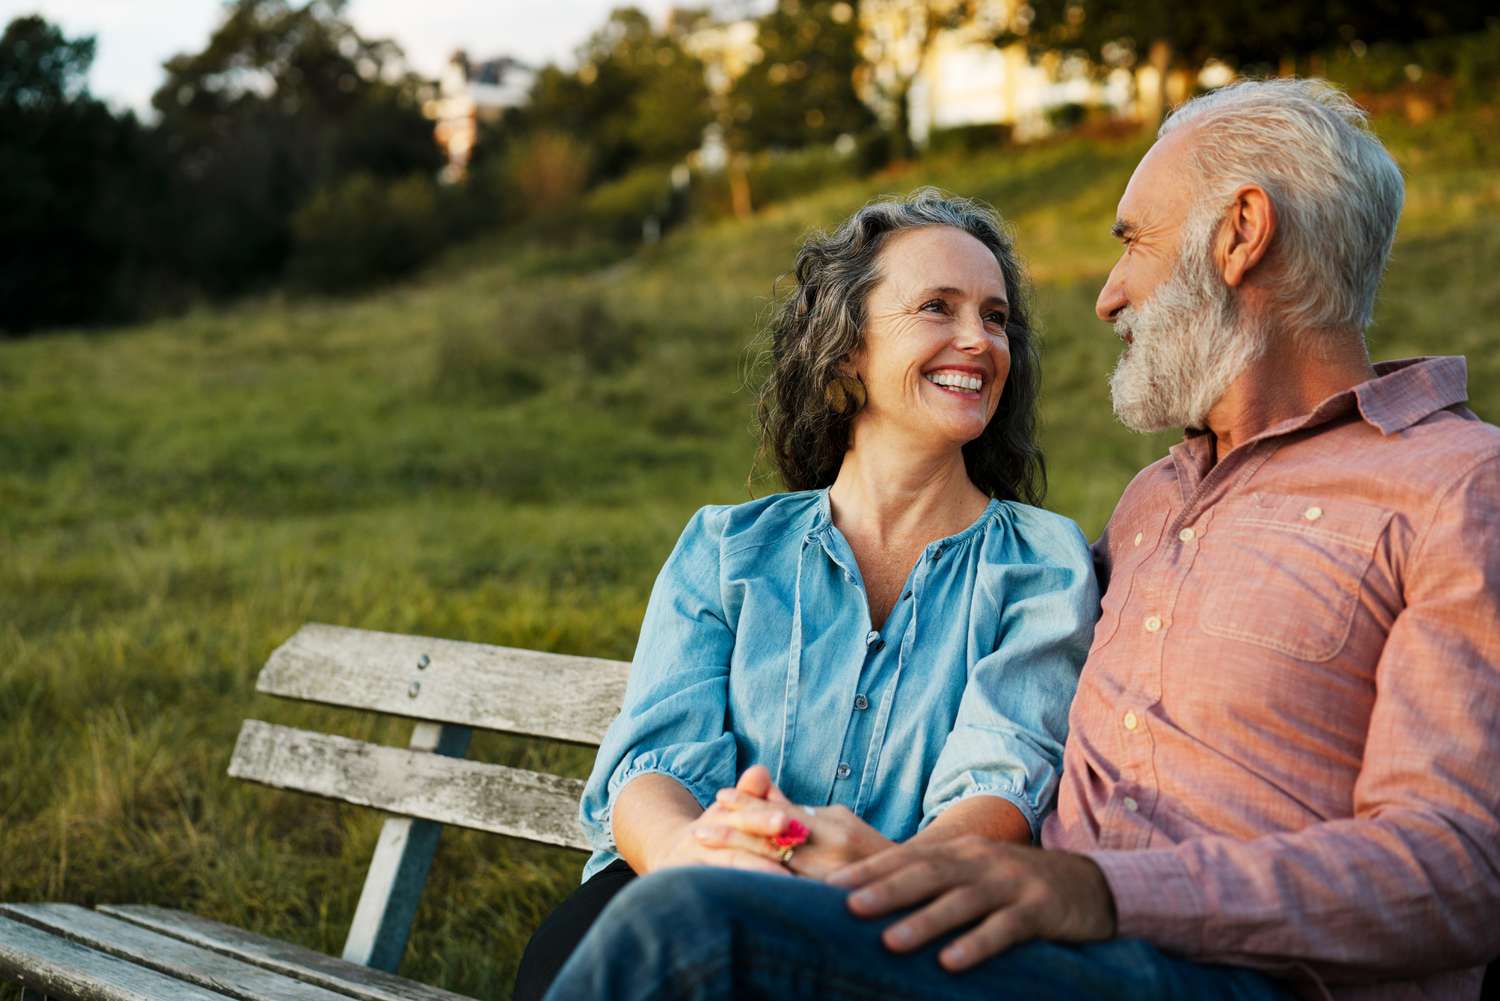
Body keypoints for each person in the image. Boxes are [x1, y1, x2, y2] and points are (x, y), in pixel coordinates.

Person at [541, 78, 1500, 1001]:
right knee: (646, 921)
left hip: (1217, 970)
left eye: (1132, 243)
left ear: (1241, 234)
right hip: (1026, 951)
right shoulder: (1154, 504)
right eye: (936, 308)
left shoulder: (1457, 485)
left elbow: (1460, 868)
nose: (1107, 295)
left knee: (693, 932)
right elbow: (662, 761)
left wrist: (1090, 891)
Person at [511, 190, 1100, 1000]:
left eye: (996, 317)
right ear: (847, 348)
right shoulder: (728, 548)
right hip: (683, 893)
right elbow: (650, 763)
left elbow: (1001, 790)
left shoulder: (1044, 564)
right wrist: (692, 856)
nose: (978, 339)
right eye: (938, 306)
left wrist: (861, 867)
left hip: (890, 926)